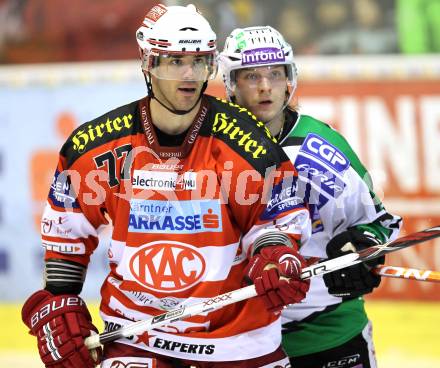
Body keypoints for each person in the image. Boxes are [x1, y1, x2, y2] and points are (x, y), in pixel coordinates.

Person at [21, 5, 313, 368]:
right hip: (134, 342)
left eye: (199, 61)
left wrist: (276, 255)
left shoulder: (246, 144)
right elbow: (68, 233)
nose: (189, 74)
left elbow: (274, 222)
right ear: (148, 63)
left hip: (239, 346)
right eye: (175, 61)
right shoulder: (96, 146)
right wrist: (59, 300)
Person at [219, 25, 402, 368]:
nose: (265, 86)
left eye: (275, 73)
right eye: (251, 76)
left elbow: (380, 223)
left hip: (331, 332)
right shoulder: (210, 149)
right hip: (243, 340)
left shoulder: (321, 147)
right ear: (231, 83)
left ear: (290, 78)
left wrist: (361, 246)